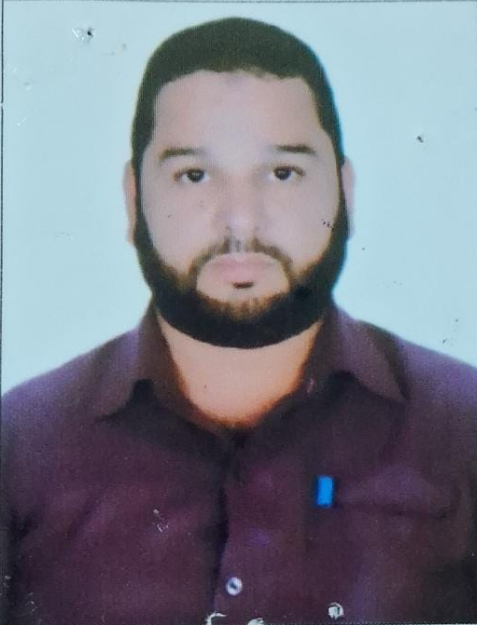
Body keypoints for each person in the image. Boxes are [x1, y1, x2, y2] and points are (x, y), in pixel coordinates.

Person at [1, 16, 477, 625]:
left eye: (282, 173)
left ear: (345, 192)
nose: (241, 222)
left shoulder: (461, 428)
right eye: (194, 175)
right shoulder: (21, 446)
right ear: (133, 199)